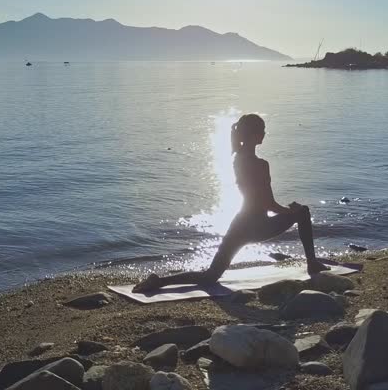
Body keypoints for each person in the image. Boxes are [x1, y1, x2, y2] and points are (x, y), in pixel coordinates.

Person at [133, 113, 327, 293]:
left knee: (210, 276)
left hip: (240, 224)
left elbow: (258, 200)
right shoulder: (260, 164)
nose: (265, 134)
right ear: (253, 134)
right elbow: (266, 203)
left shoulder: (238, 158)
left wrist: (285, 210)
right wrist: (289, 210)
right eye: (262, 130)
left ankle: (159, 281)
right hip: (258, 226)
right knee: (302, 211)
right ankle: (312, 262)